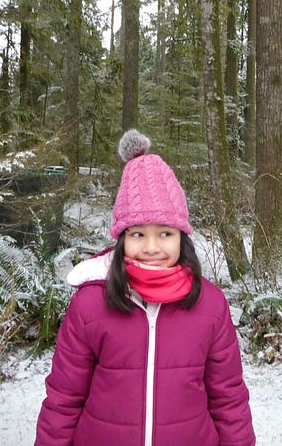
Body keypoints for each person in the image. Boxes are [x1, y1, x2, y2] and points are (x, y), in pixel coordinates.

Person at [35, 129, 255, 446]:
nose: (152, 247)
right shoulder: (89, 304)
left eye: (165, 233)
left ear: (183, 237)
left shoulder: (211, 306)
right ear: (123, 238)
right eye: (138, 234)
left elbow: (229, 399)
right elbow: (63, 399)